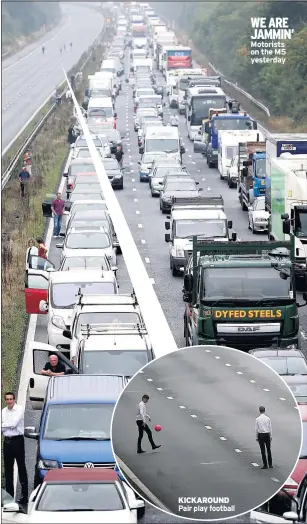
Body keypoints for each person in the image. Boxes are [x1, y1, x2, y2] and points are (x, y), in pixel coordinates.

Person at [2, 392, 28, 505]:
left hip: (18, 441)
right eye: (7, 399)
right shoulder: (3, 411)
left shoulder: (20, 409)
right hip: (7, 442)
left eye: (11, 399)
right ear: (5, 400)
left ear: (14, 399)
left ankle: (24, 496)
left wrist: (4, 425)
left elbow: (13, 424)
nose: (9, 401)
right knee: (8, 470)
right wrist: (6, 426)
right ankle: (9, 497)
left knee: (21, 467)